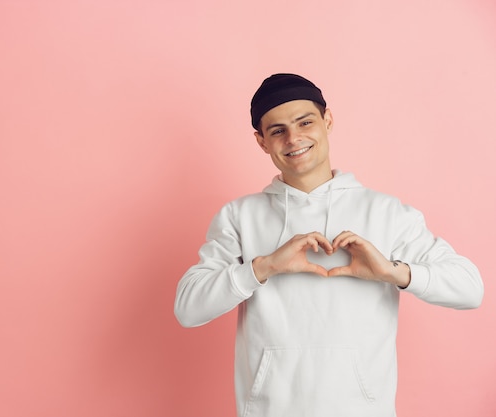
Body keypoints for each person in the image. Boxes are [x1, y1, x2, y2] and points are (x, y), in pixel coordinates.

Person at [174, 73, 483, 417]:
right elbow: (188, 308)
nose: (294, 138)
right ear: (262, 141)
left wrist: (391, 272)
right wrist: (264, 267)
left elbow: (470, 289)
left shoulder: (385, 212)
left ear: (327, 121)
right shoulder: (238, 217)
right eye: (277, 130)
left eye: (304, 122)